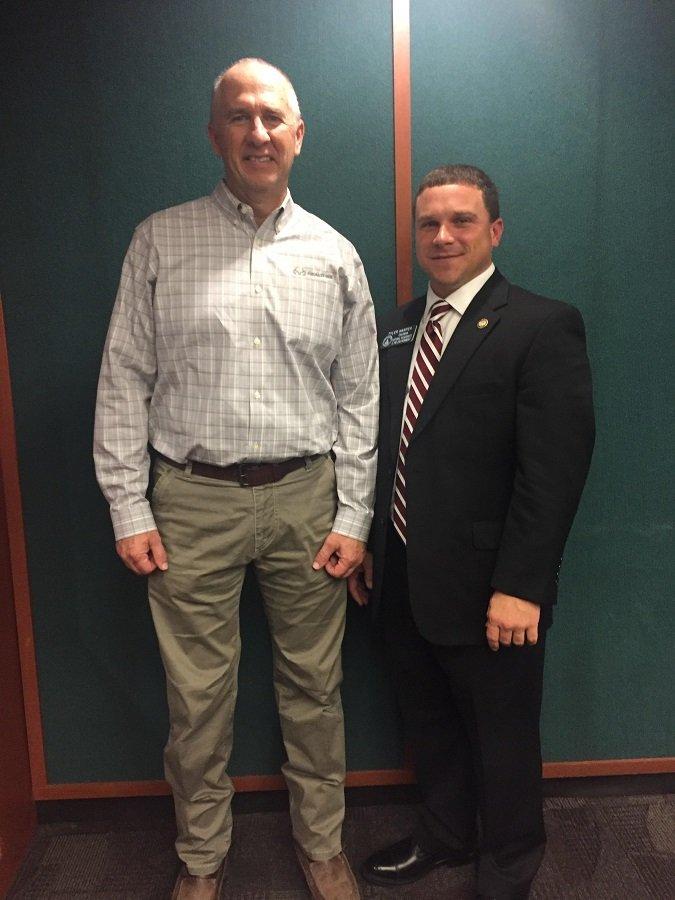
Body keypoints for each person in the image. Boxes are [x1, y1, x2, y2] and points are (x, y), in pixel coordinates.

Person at [94, 57, 378, 900]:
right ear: (214, 132)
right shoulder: (158, 238)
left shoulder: (333, 254)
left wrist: (355, 514)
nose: (258, 132)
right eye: (239, 116)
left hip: (307, 500)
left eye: (274, 118)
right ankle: (201, 859)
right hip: (189, 501)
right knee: (197, 703)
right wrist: (127, 505)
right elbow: (123, 378)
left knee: (314, 692)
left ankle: (322, 847)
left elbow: (360, 396)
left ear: (298, 135)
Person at [349, 164, 595, 899]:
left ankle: (509, 864)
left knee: (503, 735)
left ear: (493, 231)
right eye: (428, 223)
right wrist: (366, 539)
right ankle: (447, 836)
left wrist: (521, 585)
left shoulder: (540, 324)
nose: (442, 235)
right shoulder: (394, 328)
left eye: (460, 220)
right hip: (401, 576)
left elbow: (553, 472)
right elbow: (375, 443)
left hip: (494, 589)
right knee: (429, 723)